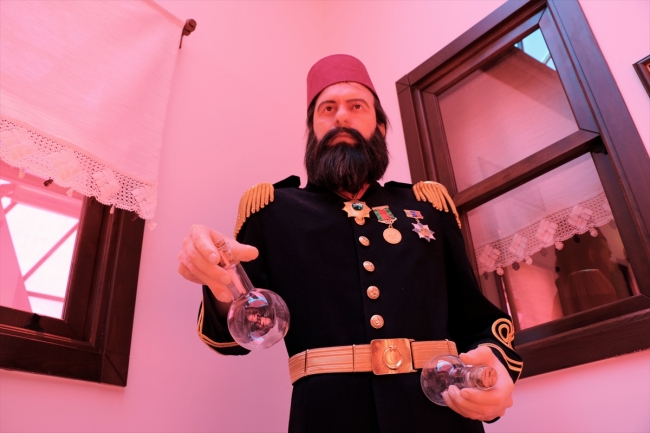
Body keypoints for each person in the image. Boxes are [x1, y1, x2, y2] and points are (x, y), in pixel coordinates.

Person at [178, 54, 523, 432]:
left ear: (380, 126)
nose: (341, 116)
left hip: (439, 420)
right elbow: (232, 336)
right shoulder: (272, 212)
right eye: (327, 108)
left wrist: (494, 367)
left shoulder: (428, 207)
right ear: (312, 129)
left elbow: (477, 321)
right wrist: (221, 279)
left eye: (357, 106)